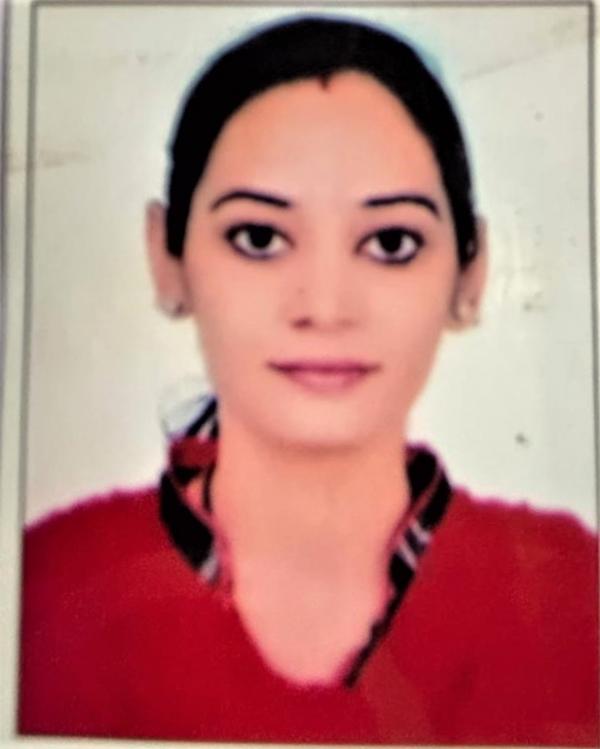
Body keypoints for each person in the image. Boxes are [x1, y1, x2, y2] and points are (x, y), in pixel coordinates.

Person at [18, 15, 598, 745]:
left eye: (392, 242)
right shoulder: (43, 585)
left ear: (470, 275)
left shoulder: (572, 591)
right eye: (259, 238)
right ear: (167, 259)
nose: (324, 308)